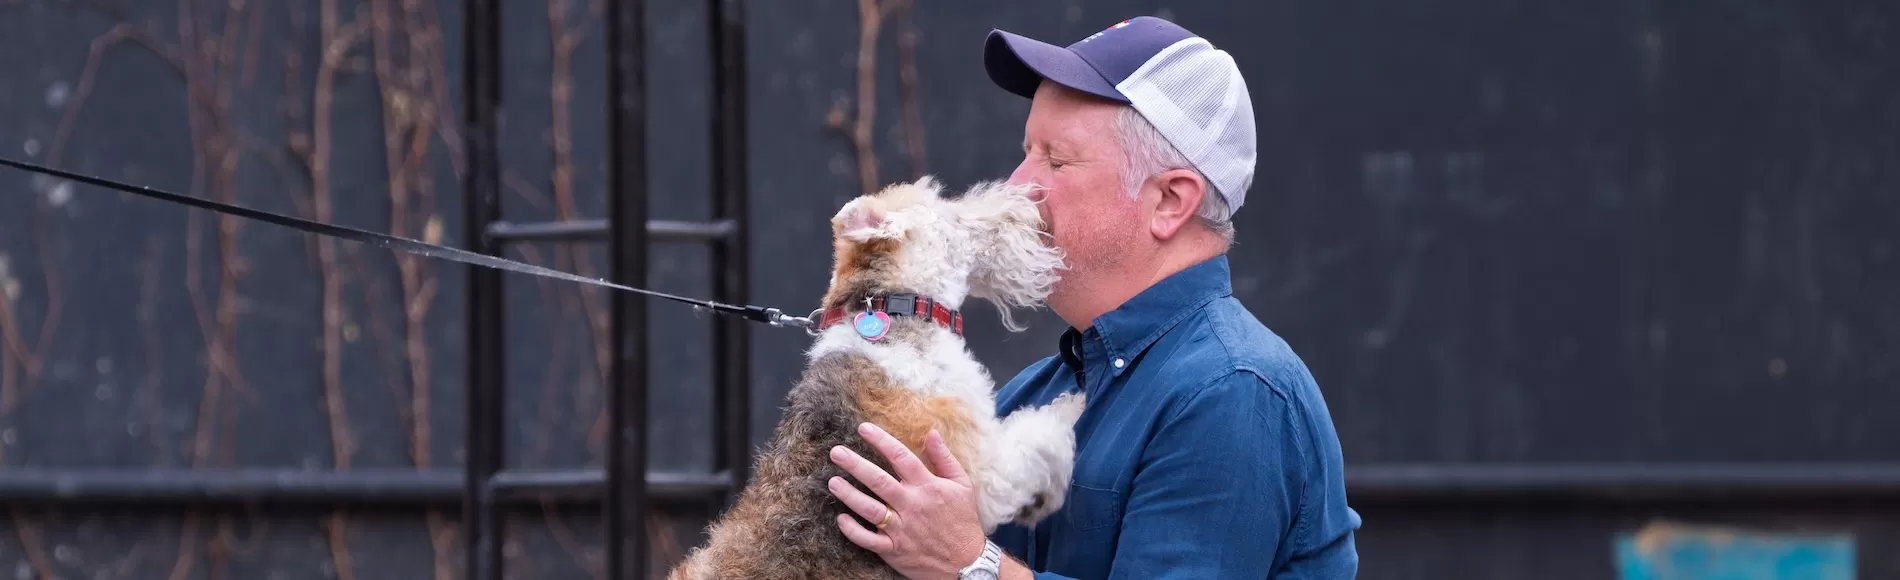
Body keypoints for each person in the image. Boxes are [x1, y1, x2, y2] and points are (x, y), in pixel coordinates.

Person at [824, 15, 1361, 579]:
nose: (1017, 184)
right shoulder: (1041, 387)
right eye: (1027, 151)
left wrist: (971, 566)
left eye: (1056, 160)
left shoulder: (1233, 391)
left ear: (1171, 202)